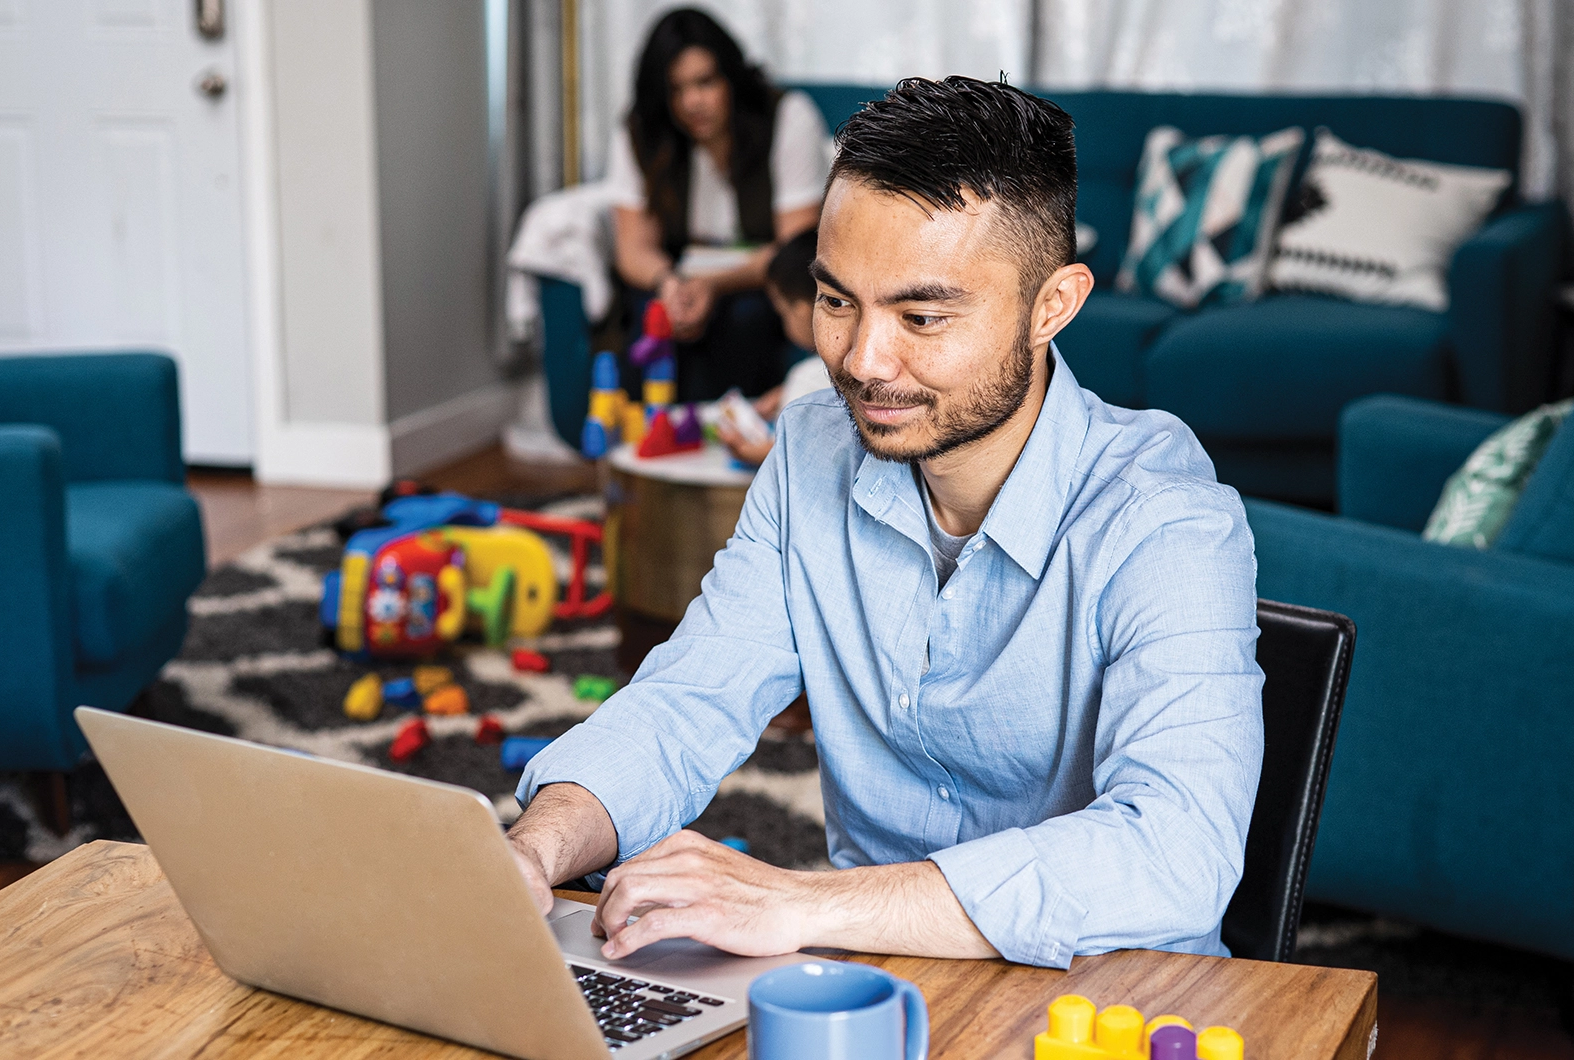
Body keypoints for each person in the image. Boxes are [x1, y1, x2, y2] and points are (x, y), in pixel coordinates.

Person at [509, 77, 1263, 970]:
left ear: (1052, 306)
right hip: (866, 979)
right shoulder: (809, 452)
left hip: (1110, 1000)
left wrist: (797, 902)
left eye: (921, 315)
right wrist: (533, 850)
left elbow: (1176, 853)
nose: (863, 361)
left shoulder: (1167, 520)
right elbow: (689, 699)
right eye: (837, 302)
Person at [608, 8, 830, 401]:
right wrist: (670, 284)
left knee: (744, 318)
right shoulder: (641, 132)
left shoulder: (788, 118)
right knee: (653, 317)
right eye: (676, 89)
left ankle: (738, 427)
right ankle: (651, 429)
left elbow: (795, 250)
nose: (692, 102)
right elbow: (633, 248)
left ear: (731, 76)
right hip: (678, 275)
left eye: (705, 82)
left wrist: (712, 285)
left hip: (759, 279)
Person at [718, 227, 829, 466]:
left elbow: (792, 455)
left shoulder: (806, 377)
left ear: (802, 311)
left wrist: (750, 451)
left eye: (782, 311)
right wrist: (786, 392)